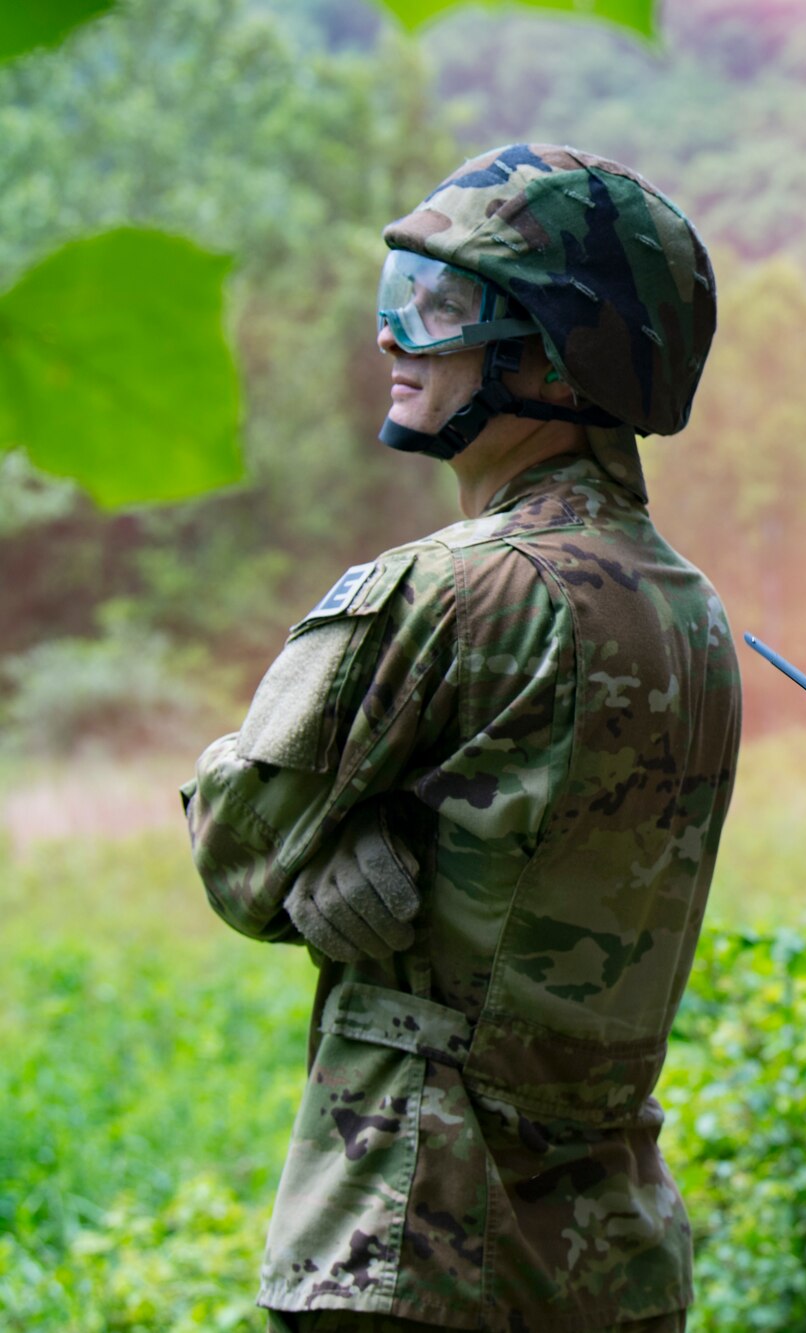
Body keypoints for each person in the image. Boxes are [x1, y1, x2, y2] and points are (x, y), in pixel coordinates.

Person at [181, 144, 740, 1332]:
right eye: (401, 296)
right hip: (611, 1255)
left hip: (415, 1239)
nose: (394, 336)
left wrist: (332, 843)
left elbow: (238, 854)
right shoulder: (689, 605)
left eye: (439, 307)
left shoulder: (444, 592)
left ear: (549, 351)